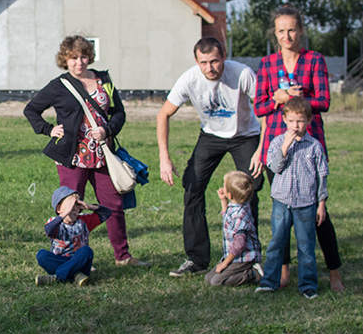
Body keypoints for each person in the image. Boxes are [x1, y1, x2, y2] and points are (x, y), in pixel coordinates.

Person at [24, 35, 148, 267]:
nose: (79, 62)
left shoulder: (104, 79)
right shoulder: (59, 85)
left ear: (89, 57)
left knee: (114, 207)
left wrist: (107, 129)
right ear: (65, 60)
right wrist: (48, 130)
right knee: (71, 208)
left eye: (83, 56)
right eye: (73, 58)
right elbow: (31, 110)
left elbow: (119, 113)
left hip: (103, 156)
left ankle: (123, 256)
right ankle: (70, 257)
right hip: (72, 158)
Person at [254, 4, 343, 292]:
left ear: (301, 30)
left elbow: (325, 102)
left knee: (318, 214)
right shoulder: (267, 64)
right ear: (275, 33)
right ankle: (283, 271)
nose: (287, 35)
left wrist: (300, 100)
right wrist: (278, 99)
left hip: (309, 144)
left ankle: (333, 272)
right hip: (277, 147)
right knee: (282, 214)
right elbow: (259, 106)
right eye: (281, 31)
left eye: (292, 29)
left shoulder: (315, 60)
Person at [157, 37, 263, 277]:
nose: (210, 68)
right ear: (196, 61)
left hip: (246, 135)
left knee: (251, 188)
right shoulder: (189, 78)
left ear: (223, 56)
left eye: (214, 61)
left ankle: (250, 257)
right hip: (211, 136)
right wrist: (165, 157)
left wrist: (261, 149)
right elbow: (163, 114)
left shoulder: (243, 73)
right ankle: (197, 259)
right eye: (203, 62)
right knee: (192, 187)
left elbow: (264, 109)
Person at [255, 97, 328, 299]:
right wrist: (285, 147)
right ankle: (269, 281)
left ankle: (308, 285)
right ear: (285, 120)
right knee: (277, 242)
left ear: (308, 121)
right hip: (282, 201)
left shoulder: (314, 146)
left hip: (306, 203)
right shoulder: (277, 142)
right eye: (292, 121)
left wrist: (321, 203)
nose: (296, 125)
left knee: (306, 246)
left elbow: (322, 175)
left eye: (301, 121)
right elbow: (275, 167)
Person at [35, 186, 111, 286]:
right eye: (70, 205)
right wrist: (64, 213)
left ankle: (57, 277)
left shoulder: (84, 221)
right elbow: (49, 230)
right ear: (59, 208)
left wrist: (89, 207)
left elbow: (107, 213)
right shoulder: (55, 222)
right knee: (41, 255)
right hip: (60, 259)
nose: (74, 208)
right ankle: (76, 276)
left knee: (87, 251)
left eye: (76, 204)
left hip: (80, 262)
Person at [204, 171, 262, 286]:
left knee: (216, 281)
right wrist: (223, 201)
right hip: (235, 257)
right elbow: (228, 218)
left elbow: (239, 244)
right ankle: (244, 270)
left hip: (244, 258)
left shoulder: (240, 215)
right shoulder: (239, 206)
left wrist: (225, 263)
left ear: (230, 195)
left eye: (224, 186)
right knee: (208, 278)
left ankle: (253, 273)